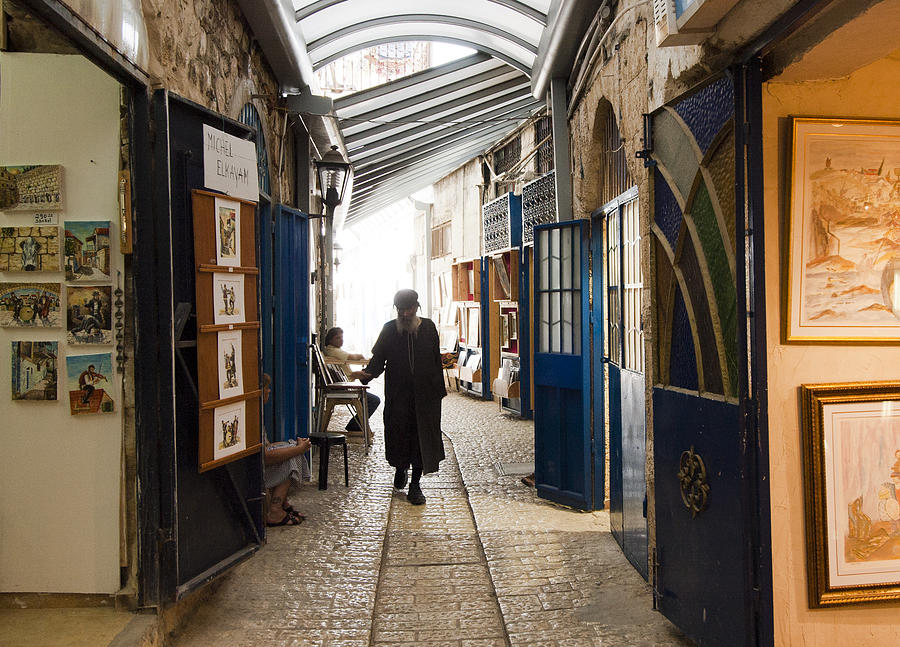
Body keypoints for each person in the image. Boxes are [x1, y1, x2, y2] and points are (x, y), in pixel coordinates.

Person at [350, 289, 445, 505]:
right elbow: (378, 360)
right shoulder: (389, 330)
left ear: (416, 307)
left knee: (422, 440)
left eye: (408, 309)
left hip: (425, 398)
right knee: (400, 435)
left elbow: (435, 361)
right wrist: (366, 375)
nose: (404, 314)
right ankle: (400, 468)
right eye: (400, 310)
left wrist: (438, 392)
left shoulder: (429, 328)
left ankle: (415, 485)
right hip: (398, 396)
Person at [261, 374, 312, 526]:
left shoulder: (257, 414)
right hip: (254, 473)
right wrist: (297, 450)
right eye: (266, 388)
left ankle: (282, 502)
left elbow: (268, 446)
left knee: (291, 447)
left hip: (261, 466)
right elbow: (266, 457)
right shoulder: (252, 418)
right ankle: (275, 510)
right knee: (292, 455)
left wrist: (293, 446)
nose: (269, 391)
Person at [323, 326, 381, 433]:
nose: (341, 340)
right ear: (330, 340)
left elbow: (346, 372)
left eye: (342, 338)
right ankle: (354, 425)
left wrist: (355, 374)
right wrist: (361, 357)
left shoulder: (335, 350)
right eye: (338, 338)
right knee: (373, 400)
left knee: (370, 396)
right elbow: (352, 357)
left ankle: (356, 424)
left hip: (344, 384)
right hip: (343, 387)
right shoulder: (333, 350)